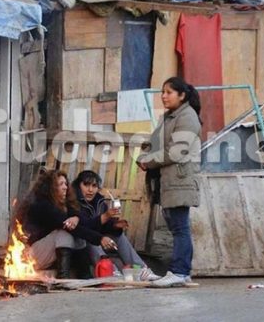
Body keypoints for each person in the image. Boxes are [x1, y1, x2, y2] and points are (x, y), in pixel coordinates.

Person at [136, 77, 202, 287]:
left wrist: (149, 162)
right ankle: (181, 271)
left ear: (182, 95)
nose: (163, 96)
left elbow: (176, 151)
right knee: (177, 227)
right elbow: (155, 142)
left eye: (168, 92)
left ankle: (180, 271)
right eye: (162, 92)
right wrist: (144, 155)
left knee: (180, 228)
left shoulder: (187, 117)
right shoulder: (169, 117)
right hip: (169, 180)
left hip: (180, 179)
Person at [19, 170, 116, 279]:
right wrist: (100, 239)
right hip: (31, 257)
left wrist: (79, 217)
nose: (65, 187)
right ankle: (63, 278)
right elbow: (69, 226)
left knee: (77, 234)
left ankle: (84, 275)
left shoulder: (65, 205)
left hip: (48, 257)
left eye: (66, 184)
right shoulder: (42, 205)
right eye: (61, 184)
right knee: (65, 233)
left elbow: (86, 224)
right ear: (50, 187)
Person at [72, 170, 161, 281]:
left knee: (119, 236)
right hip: (80, 243)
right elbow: (84, 228)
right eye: (86, 185)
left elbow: (102, 227)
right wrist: (105, 217)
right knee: (91, 238)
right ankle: (111, 272)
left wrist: (114, 226)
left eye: (94, 186)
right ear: (78, 185)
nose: (90, 190)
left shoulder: (99, 202)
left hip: (97, 238)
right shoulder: (73, 201)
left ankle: (142, 270)